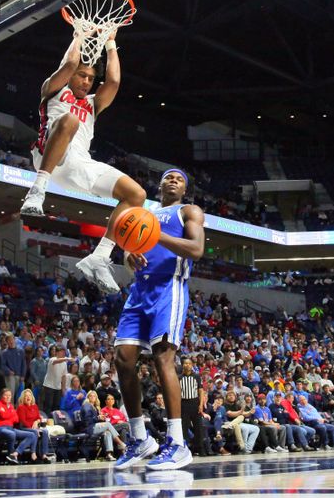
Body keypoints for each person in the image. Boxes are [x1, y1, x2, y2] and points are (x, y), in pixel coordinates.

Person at [19, 30, 146, 295]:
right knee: (71, 122)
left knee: (137, 195)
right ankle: (37, 190)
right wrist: (78, 36)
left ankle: (100, 256)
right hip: (49, 157)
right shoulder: (52, 91)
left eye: (90, 78)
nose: (87, 82)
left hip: (79, 166)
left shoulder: (92, 104)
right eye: (82, 75)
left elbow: (113, 81)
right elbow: (67, 65)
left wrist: (111, 43)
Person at [113, 169, 205, 471]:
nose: (173, 180)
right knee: (123, 359)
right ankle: (140, 439)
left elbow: (196, 249)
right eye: (168, 177)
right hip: (140, 288)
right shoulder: (143, 212)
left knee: (162, 358)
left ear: (185, 189)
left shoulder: (188, 211)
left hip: (169, 287)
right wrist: (130, 256)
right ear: (160, 185)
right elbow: (128, 251)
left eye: (180, 178)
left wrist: (155, 234)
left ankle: (177, 443)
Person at [0, 388, 38, 464]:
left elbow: (16, 419)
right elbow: (3, 415)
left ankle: (15, 454)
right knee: (11, 434)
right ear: (1, 396)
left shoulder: (11, 406)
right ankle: (11, 455)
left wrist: (9, 416)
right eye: (6, 395)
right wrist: (10, 416)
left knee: (32, 435)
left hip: (10, 428)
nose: (8, 397)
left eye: (10, 395)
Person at [81, 390, 125, 461]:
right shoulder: (87, 406)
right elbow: (87, 421)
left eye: (94, 396)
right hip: (88, 428)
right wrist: (98, 418)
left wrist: (101, 418)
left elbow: (94, 420)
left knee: (107, 432)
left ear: (96, 398)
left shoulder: (94, 407)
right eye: (90, 396)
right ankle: (120, 443)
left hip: (93, 427)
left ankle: (109, 454)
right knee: (107, 425)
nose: (92, 397)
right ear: (88, 397)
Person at [17, 389, 54, 462]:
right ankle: (33, 454)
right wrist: (34, 428)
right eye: (26, 396)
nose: (28, 397)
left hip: (34, 427)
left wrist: (36, 421)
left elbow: (39, 418)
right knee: (34, 432)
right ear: (23, 398)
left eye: (29, 395)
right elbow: (23, 421)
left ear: (32, 397)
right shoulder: (21, 407)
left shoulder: (35, 406)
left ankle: (44, 455)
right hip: (24, 428)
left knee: (45, 431)